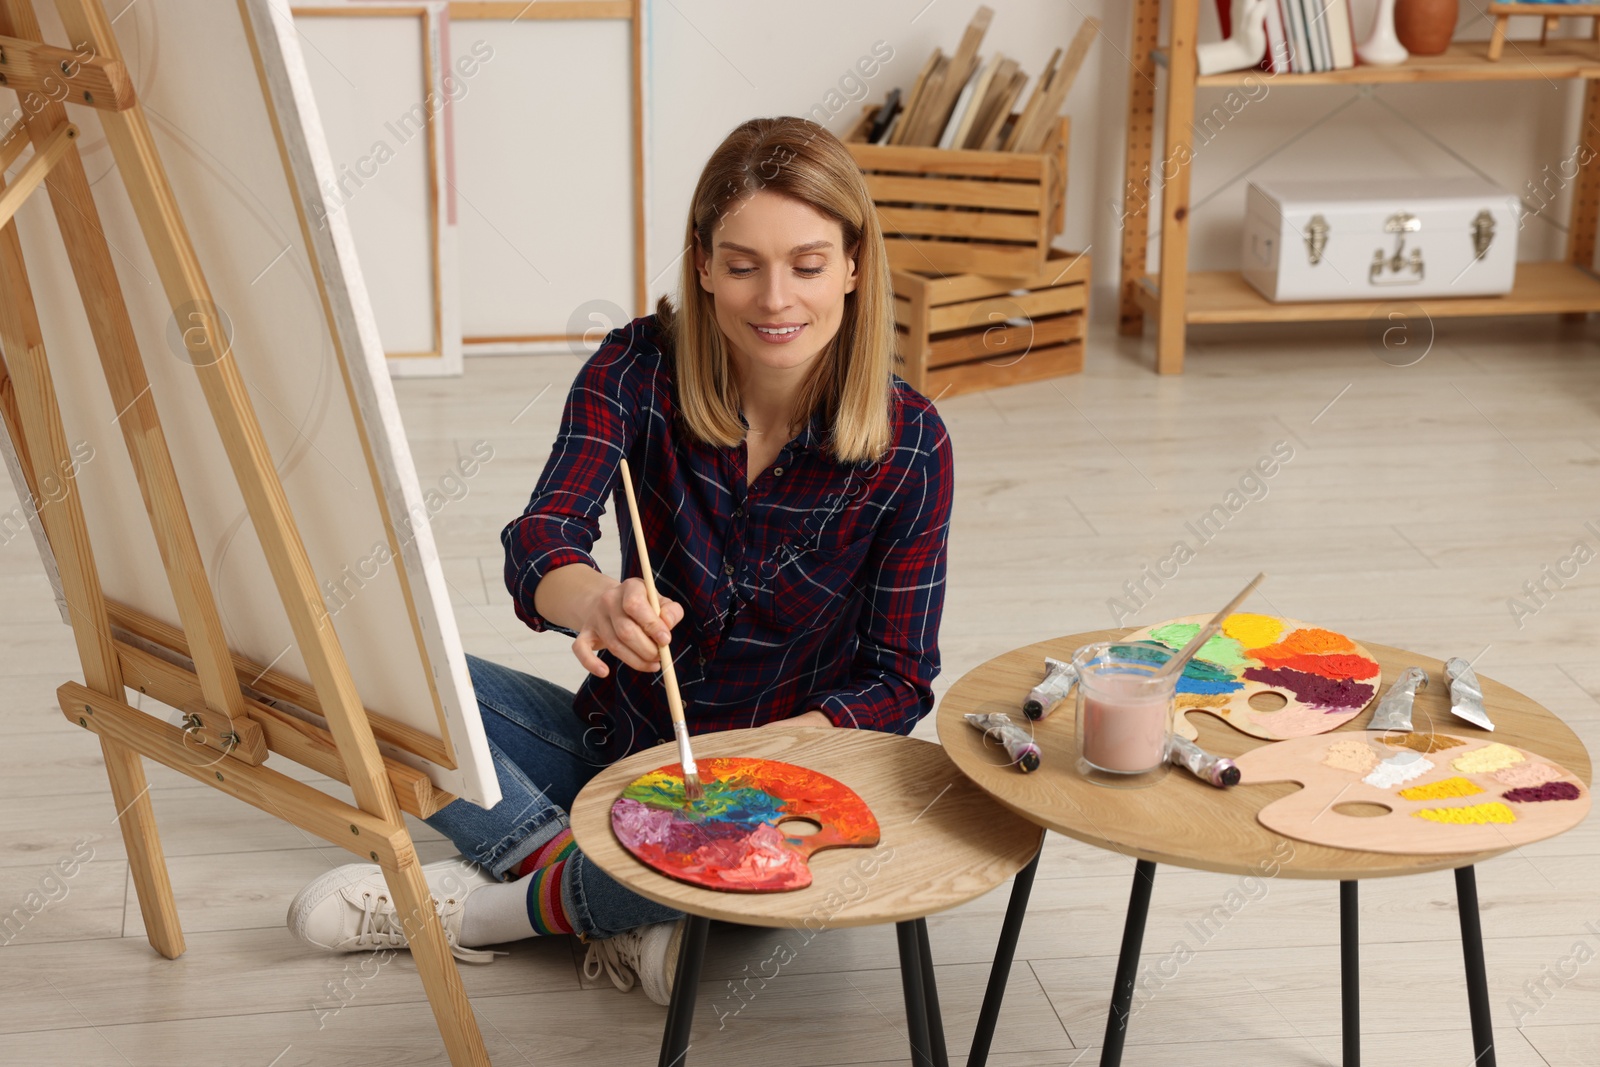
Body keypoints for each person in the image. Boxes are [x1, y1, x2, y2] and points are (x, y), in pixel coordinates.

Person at [285, 115, 954, 1007]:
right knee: (360, 664)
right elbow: (541, 536)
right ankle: (593, 892)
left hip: (765, 793)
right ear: (705, 264)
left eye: (807, 263)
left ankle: (478, 913)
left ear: (854, 265)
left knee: (734, 856)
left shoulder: (913, 447)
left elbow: (901, 679)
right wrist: (594, 600)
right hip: (614, 747)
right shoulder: (640, 365)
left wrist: (779, 751)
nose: (774, 298)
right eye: (743, 263)